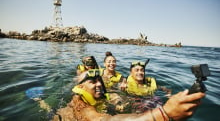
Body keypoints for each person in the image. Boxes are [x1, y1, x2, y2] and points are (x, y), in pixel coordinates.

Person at [53, 69, 205, 121]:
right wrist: (163, 114)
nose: (99, 84)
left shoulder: (102, 96)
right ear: (80, 87)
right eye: (93, 82)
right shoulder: (82, 105)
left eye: (100, 81)